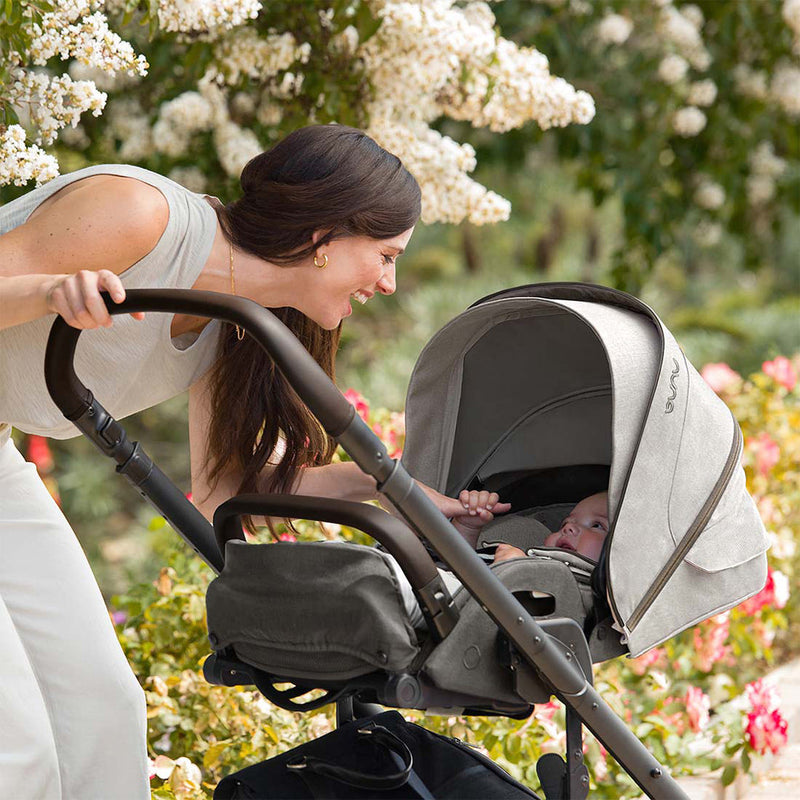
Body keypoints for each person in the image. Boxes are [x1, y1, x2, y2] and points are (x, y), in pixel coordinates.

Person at [0, 125, 478, 799]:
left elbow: (222, 490)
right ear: (326, 235)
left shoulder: (238, 323)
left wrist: (385, 485)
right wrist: (50, 290)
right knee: (13, 743)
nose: (390, 282)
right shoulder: (140, 215)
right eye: (386, 255)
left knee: (105, 712)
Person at [389, 491, 609, 628]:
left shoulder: (572, 595)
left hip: (438, 602)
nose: (569, 528)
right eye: (565, 523)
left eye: (597, 525)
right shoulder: (527, 556)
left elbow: (533, 616)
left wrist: (519, 574)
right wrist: (466, 528)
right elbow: (458, 568)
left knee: (383, 577)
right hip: (436, 582)